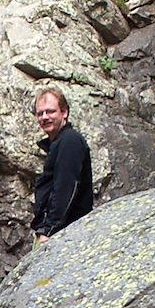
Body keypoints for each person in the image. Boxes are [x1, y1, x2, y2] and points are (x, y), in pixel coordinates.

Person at [31, 87, 93, 244]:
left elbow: (65, 188)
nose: (44, 117)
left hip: (66, 234)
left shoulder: (69, 141)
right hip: (59, 232)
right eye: (40, 113)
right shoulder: (59, 143)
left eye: (50, 112)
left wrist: (49, 230)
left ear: (64, 112)